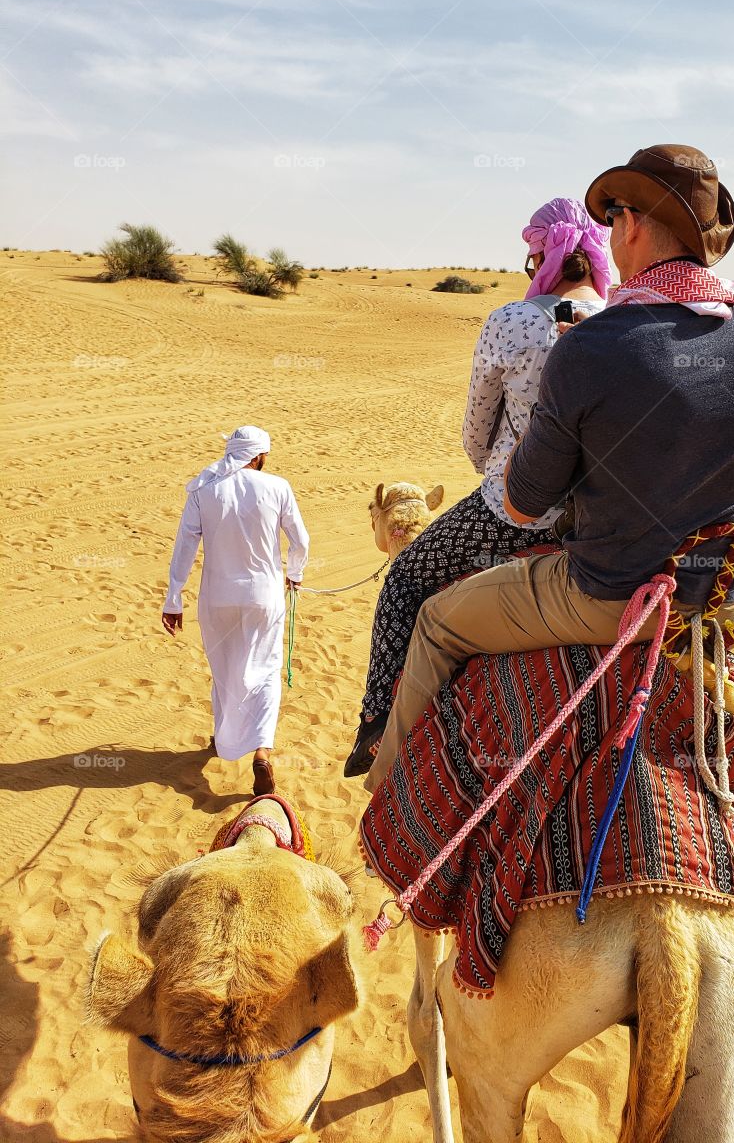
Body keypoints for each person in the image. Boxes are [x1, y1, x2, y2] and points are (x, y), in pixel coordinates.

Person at [365, 144, 734, 793]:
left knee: (434, 620)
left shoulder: (593, 345)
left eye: (616, 215)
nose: (612, 232)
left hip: (616, 595)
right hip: (725, 595)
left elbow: (523, 501)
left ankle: (387, 795)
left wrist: (564, 397)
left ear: (632, 225)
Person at [343, 198, 614, 777]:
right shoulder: (623, 322)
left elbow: (476, 429)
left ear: (542, 256)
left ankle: (375, 722)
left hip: (509, 510)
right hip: (597, 521)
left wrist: (493, 471)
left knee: (405, 578)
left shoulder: (512, 321)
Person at [162, 425, 309, 796]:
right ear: (257, 456)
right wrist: (294, 574)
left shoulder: (203, 488)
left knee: (224, 667)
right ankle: (261, 751)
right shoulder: (278, 487)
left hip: (217, 598)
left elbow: (184, 546)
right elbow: (301, 541)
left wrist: (174, 597)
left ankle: (224, 738)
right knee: (266, 669)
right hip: (264, 597)